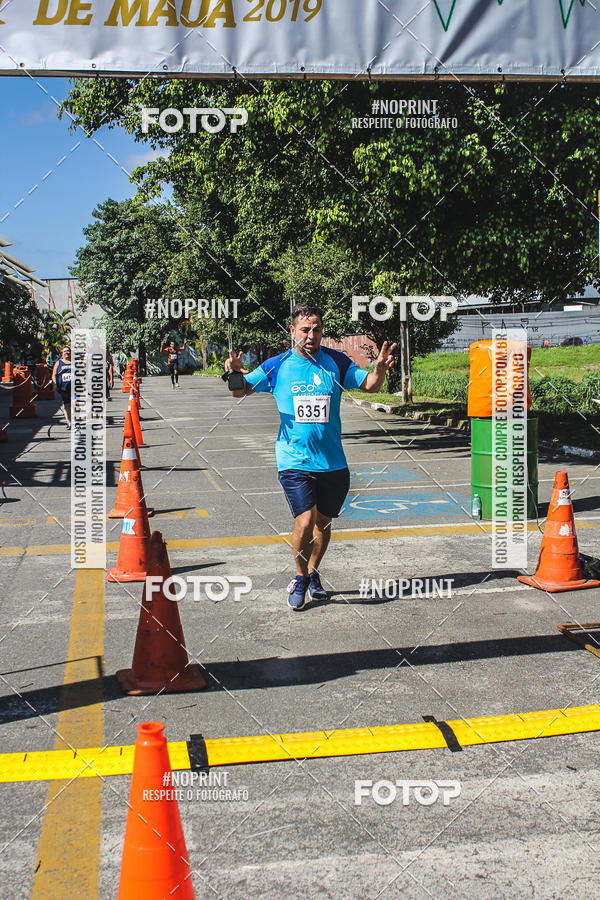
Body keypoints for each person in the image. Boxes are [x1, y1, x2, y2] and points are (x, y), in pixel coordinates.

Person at [224, 303, 397, 610]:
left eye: (316, 329)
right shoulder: (277, 366)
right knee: (305, 521)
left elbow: (370, 385)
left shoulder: (336, 362)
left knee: (323, 523)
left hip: (332, 462)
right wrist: (234, 373)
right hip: (293, 460)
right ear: (293, 331)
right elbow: (240, 391)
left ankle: (314, 572)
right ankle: (300, 576)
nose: (311, 335)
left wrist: (379, 370)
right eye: (305, 329)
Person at [52, 345, 72, 429]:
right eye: (65, 351)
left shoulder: (75, 362)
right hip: (64, 389)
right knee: (67, 405)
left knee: (75, 403)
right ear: (62, 353)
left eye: (68, 351)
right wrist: (55, 385)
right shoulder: (58, 363)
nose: (66, 352)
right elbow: (54, 374)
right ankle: (69, 423)